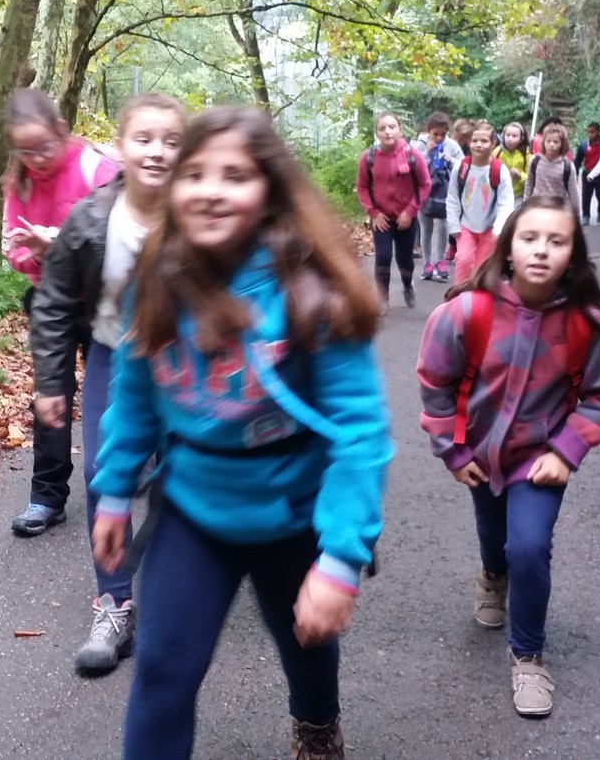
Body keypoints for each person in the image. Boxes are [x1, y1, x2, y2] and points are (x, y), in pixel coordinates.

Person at [90, 106, 393, 760]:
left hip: (294, 511)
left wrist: (340, 558)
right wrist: (114, 491)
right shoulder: (157, 278)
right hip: (193, 509)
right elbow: (135, 398)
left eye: (235, 175)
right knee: (163, 670)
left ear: (269, 192)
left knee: (307, 643)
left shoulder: (311, 291)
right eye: (195, 174)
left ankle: (317, 724)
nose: (211, 190)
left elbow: (361, 433)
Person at [415, 197, 600, 718]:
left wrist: (567, 451)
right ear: (508, 247)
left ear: (573, 255)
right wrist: (451, 450)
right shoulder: (467, 312)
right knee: (495, 536)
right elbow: (435, 381)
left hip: (539, 459)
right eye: (529, 238)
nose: (541, 250)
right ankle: (493, 575)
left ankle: (528, 654)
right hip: (478, 452)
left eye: (557, 241)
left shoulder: (587, 323)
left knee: (529, 546)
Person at [29, 93, 187, 674]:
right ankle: (114, 605)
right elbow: (51, 300)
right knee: (103, 472)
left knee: (189, 476)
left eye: (172, 141)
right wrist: (50, 382)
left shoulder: (202, 209)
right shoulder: (92, 218)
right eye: (144, 139)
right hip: (113, 355)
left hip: (191, 364)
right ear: (119, 147)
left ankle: (190, 578)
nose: (157, 151)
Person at [1, 88, 121, 537]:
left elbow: (125, 232)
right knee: (50, 397)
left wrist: (60, 246)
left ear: (62, 130)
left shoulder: (96, 169)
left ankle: (123, 473)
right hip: (51, 304)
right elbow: (12, 248)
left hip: (103, 302)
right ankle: (47, 498)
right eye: (25, 151)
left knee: (113, 392)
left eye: (44, 147)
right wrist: (36, 253)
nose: (36, 159)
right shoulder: (20, 184)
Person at [356, 112, 429, 311]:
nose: (388, 132)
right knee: (383, 256)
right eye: (382, 128)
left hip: (406, 218)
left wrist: (410, 211)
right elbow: (362, 187)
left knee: (405, 259)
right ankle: (383, 298)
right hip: (382, 219)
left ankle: (407, 285)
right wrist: (373, 213)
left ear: (400, 130)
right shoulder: (368, 157)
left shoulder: (413, 155)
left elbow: (425, 184)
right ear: (377, 133)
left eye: (392, 127)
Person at [445, 120, 516, 283]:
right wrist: (454, 225)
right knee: (463, 261)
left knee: (482, 267)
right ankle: (458, 294)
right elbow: (453, 197)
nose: (479, 145)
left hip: (490, 228)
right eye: (475, 140)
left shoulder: (499, 170)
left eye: (484, 141)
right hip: (466, 225)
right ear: (469, 142)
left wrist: (498, 229)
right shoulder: (461, 167)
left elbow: (506, 202)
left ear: (493, 144)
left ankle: (477, 295)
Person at [413, 111, 463, 282]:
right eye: (436, 134)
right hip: (425, 194)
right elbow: (414, 166)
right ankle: (427, 263)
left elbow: (463, 166)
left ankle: (440, 261)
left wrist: (450, 160)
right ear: (429, 131)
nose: (439, 138)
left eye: (443, 134)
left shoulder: (452, 146)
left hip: (445, 193)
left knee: (442, 227)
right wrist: (427, 153)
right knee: (426, 229)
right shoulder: (420, 145)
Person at [524, 120, 581, 218]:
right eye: (548, 141)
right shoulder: (535, 161)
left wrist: (576, 215)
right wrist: (525, 206)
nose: (551, 144)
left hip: (558, 210)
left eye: (556, 142)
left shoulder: (567, 166)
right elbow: (529, 184)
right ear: (543, 142)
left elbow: (573, 193)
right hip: (537, 207)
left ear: (562, 144)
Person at [574, 122, 600, 226]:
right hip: (587, 173)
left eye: (593, 132)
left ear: (598, 132)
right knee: (586, 196)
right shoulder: (584, 145)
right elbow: (578, 161)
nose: (590, 135)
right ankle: (586, 216)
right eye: (589, 132)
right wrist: (576, 173)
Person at [495, 121, 531, 192]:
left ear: (521, 138)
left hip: (519, 193)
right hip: (501, 192)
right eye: (508, 135)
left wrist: (520, 175)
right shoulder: (497, 152)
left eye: (514, 136)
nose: (510, 139)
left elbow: (531, 178)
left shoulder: (526, 153)